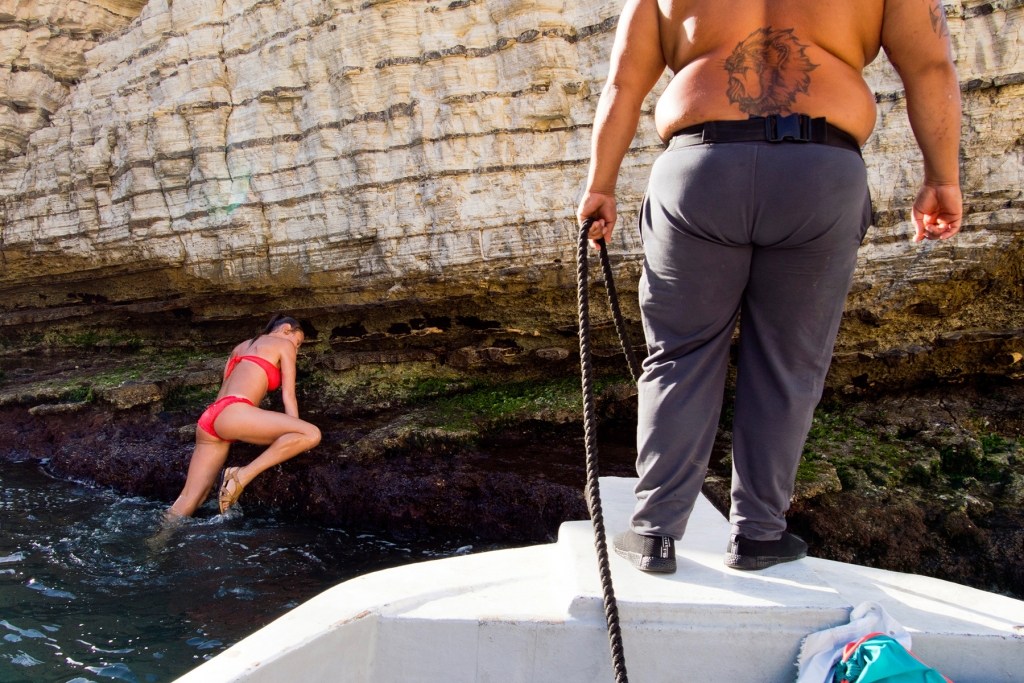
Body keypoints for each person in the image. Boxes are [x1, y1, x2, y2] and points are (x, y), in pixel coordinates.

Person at [577, 0, 962, 572]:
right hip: (819, 172)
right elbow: (929, 70)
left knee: (680, 354)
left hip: (701, 169)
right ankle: (758, 534)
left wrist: (600, 186)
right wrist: (941, 178)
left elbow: (623, 85)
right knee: (789, 361)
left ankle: (655, 531)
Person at [166, 314, 321, 518]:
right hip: (235, 412)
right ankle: (241, 475)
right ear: (286, 329)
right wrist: (295, 430)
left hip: (210, 419)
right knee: (311, 434)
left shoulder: (240, 347)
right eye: (298, 342)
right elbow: (289, 395)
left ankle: (157, 542)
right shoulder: (284, 344)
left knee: (190, 497)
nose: (297, 348)